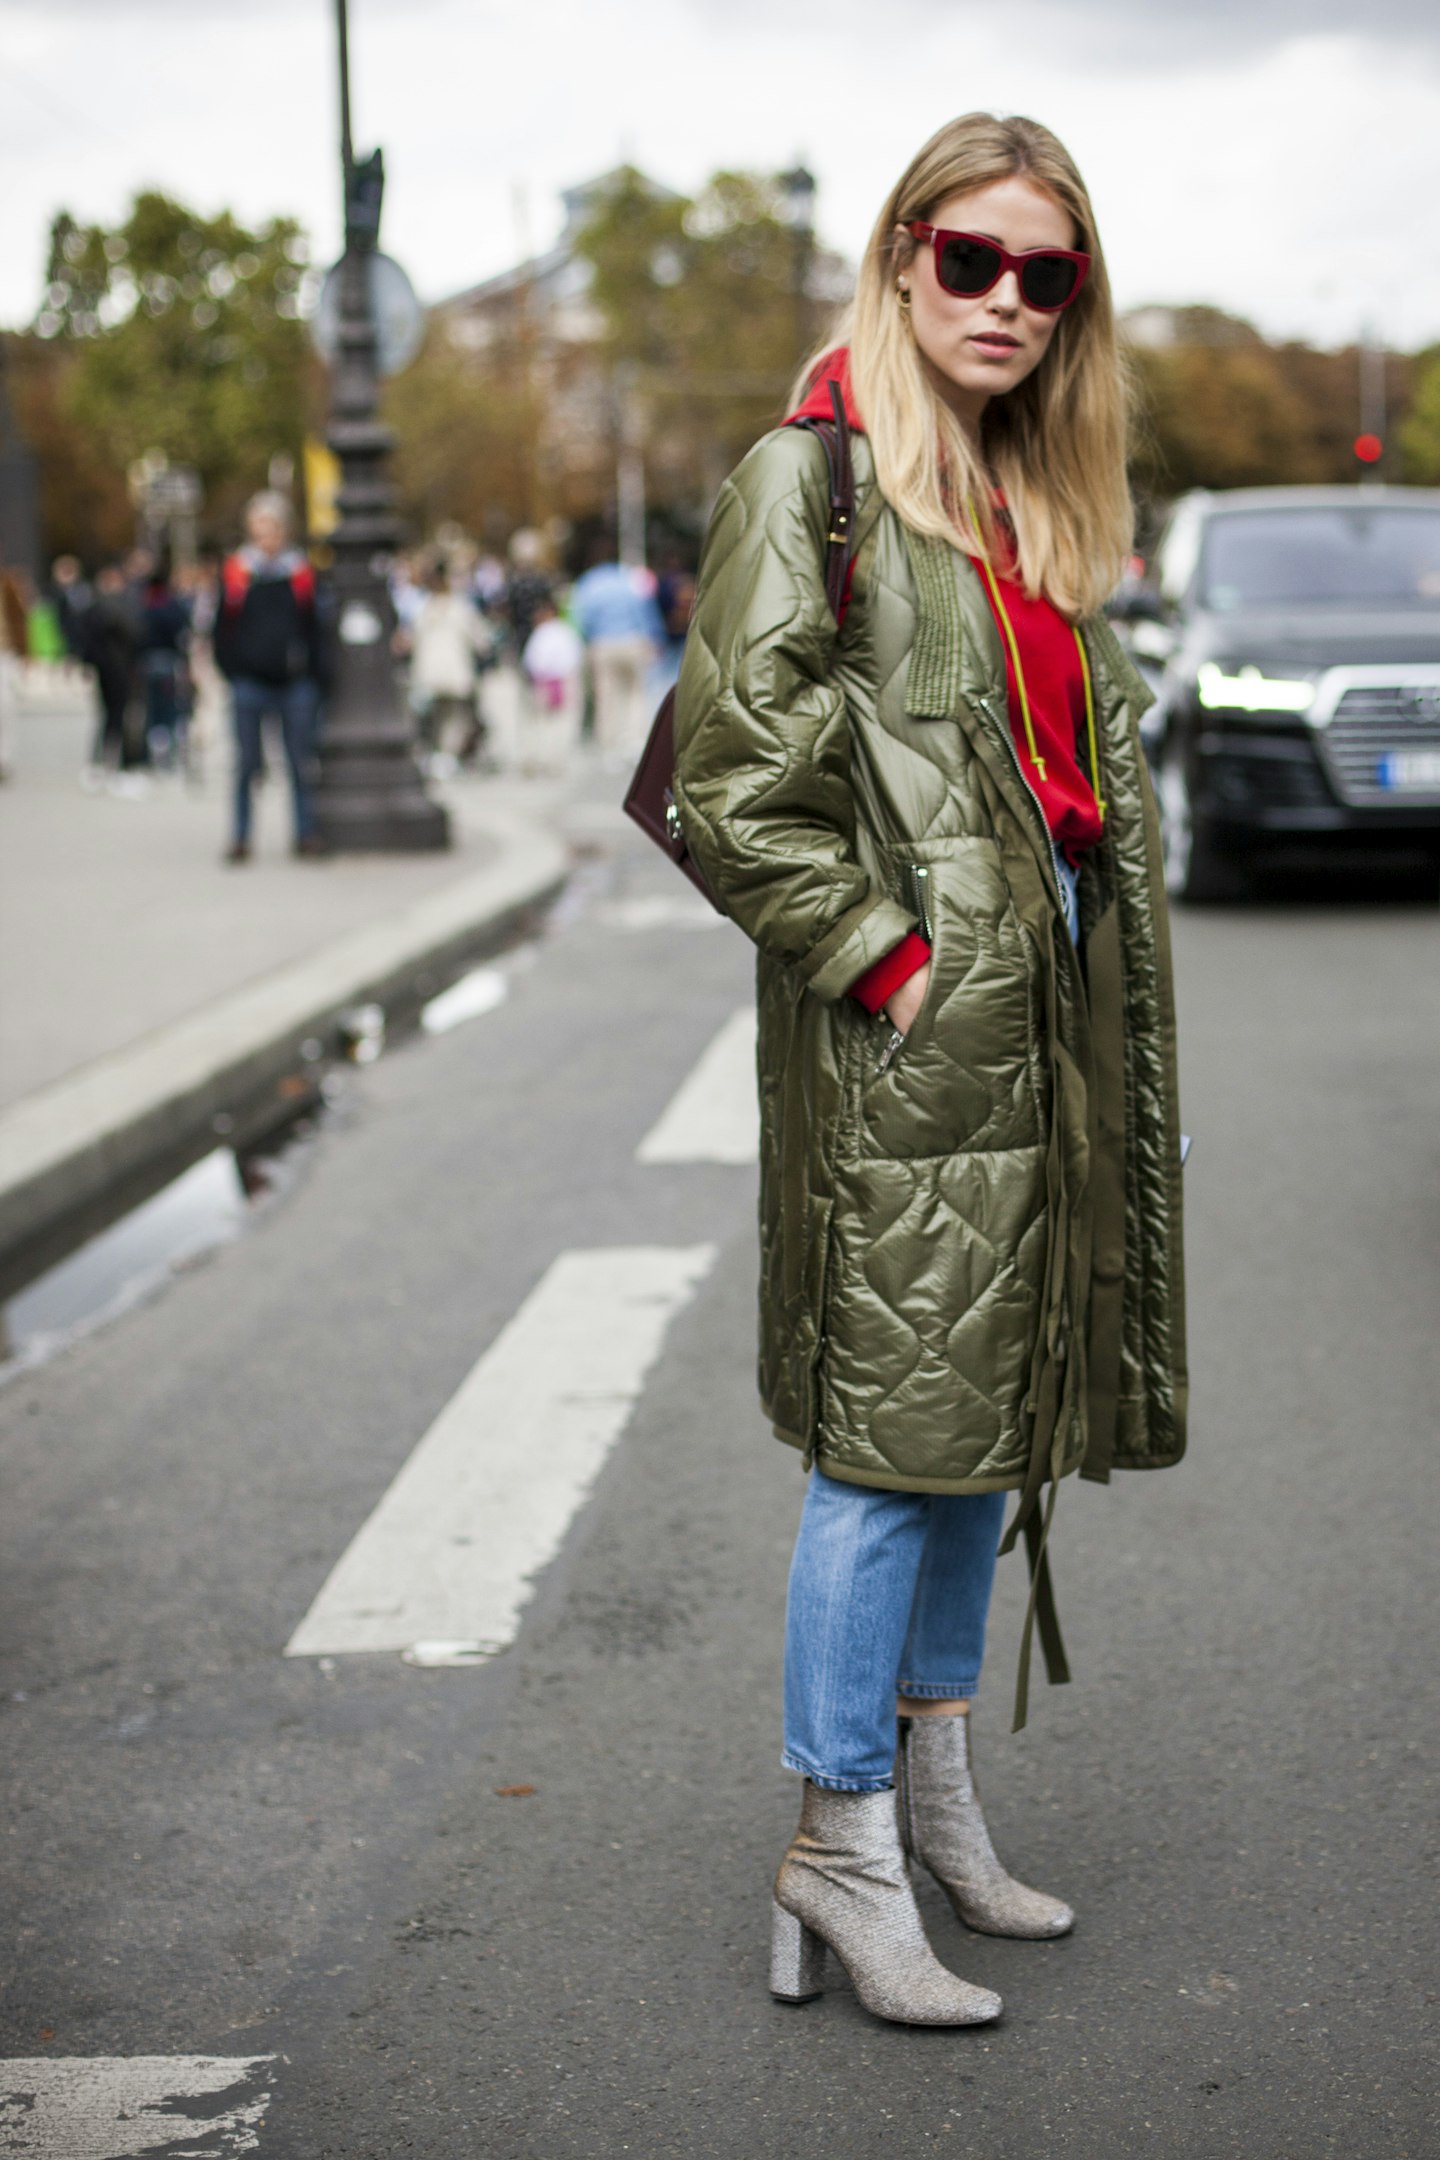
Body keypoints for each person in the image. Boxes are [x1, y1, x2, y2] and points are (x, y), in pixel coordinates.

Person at [673, 112, 1186, 2030]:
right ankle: (837, 1838)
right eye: (971, 259)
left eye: (1046, 275)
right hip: (915, 1024)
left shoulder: (1013, 495)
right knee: (887, 1456)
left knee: (985, 1438)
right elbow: (737, 785)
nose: (1007, 302)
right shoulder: (812, 478)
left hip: (1042, 1017)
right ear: (900, 258)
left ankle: (935, 1808)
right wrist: (889, 959)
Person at [213, 492, 326, 863]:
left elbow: (315, 629)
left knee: (299, 763)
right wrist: (232, 671)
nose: (266, 538)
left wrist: (313, 673)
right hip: (249, 683)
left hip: (294, 684)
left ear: (284, 531)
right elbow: (221, 629)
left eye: (272, 529)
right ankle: (241, 836)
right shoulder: (237, 573)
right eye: (259, 530)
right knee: (246, 765)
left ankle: (305, 832)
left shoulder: (301, 574)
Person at [570, 545, 664, 759]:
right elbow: (644, 610)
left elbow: (581, 618)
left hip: (602, 643)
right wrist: (653, 638)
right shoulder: (630, 579)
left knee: (607, 695)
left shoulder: (588, 582)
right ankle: (635, 739)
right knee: (636, 693)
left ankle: (609, 742)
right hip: (633, 641)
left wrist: (587, 641)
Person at [405, 562, 493, 770]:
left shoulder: (423, 606)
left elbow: (411, 638)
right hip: (451, 670)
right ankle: (446, 753)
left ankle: (442, 753)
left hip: (433, 671)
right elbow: (479, 638)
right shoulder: (457, 606)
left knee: (441, 715)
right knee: (451, 716)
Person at [80, 562, 144, 788]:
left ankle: (101, 763)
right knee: (118, 716)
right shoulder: (119, 607)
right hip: (118, 669)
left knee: (109, 716)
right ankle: (116, 765)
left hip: (109, 668)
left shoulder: (96, 606)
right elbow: (134, 636)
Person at [519, 597, 583, 775]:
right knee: (560, 722)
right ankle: (554, 759)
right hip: (562, 679)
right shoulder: (565, 632)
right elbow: (575, 657)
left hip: (545, 681)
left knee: (543, 722)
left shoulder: (542, 633)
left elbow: (531, 660)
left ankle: (542, 758)